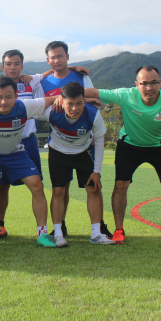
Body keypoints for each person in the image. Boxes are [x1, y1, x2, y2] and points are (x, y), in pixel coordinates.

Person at [0, 49, 89, 238]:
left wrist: (70, 74)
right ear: (2, 67)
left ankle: (50, 230)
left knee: (37, 185)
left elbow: (47, 76)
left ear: (22, 66)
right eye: (8, 64)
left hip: (23, 144)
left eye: (16, 64)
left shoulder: (30, 85)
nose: (12, 67)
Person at [82, 66, 161, 244]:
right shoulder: (125, 95)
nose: (149, 88)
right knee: (121, 185)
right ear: (137, 85)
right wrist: (65, 96)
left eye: (153, 83)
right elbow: (93, 92)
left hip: (158, 146)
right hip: (129, 145)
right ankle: (119, 230)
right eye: (144, 83)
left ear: (160, 83)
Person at [0, 77, 59, 251]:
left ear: (16, 97)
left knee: (37, 185)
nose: (3, 101)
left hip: (15, 154)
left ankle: (42, 234)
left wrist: (63, 98)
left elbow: (50, 99)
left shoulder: (24, 107)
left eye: (8, 97)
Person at [38, 40, 107, 238]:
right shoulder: (43, 82)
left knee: (93, 187)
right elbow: (39, 106)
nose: (57, 60)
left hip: (84, 141)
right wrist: (58, 100)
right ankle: (60, 228)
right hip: (59, 143)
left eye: (60, 56)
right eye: (53, 57)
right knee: (61, 189)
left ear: (67, 56)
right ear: (48, 60)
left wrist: (76, 106)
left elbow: (92, 99)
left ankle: (99, 228)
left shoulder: (81, 76)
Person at [38, 82, 115, 247]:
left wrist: (97, 171)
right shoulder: (51, 112)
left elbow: (99, 142)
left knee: (93, 189)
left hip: (83, 153)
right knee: (58, 191)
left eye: (79, 103)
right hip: (58, 153)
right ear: (62, 101)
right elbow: (28, 111)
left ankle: (96, 234)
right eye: (70, 104)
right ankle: (58, 234)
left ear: (84, 101)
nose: (75, 108)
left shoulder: (93, 114)